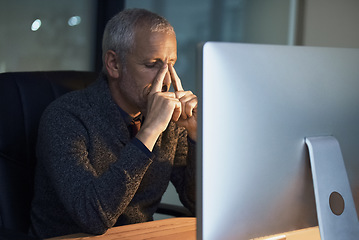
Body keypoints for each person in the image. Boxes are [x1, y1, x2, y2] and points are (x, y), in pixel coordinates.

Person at [29, 8, 197, 239]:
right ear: (114, 64)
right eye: (152, 65)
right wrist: (149, 132)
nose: (166, 79)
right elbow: (93, 217)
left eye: (171, 64)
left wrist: (197, 139)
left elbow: (198, 203)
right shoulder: (65, 117)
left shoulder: (169, 119)